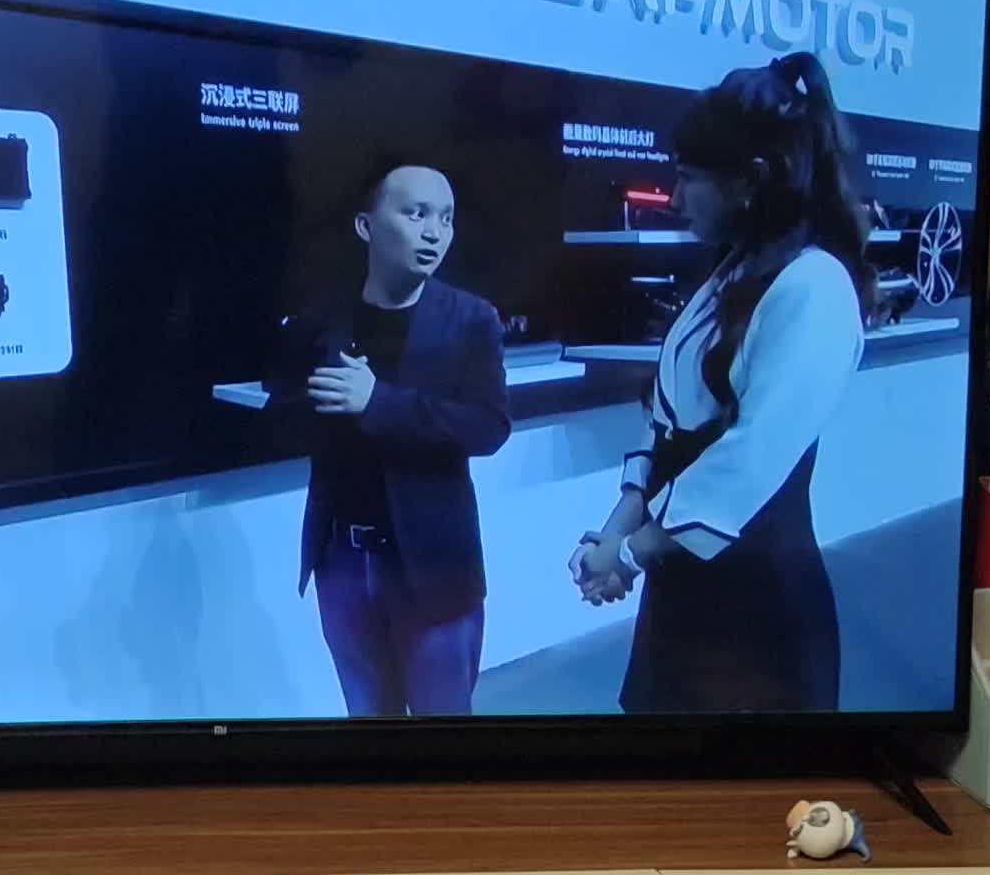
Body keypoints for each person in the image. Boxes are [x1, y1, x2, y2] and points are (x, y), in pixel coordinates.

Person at [569, 52, 876, 713]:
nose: (674, 198)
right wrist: (613, 533)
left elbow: (746, 461)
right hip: (681, 589)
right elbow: (666, 424)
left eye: (688, 178)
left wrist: (629, 553)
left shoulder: (815, 286)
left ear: (751, 179)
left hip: (757, 611)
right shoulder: (731, 272)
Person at [273, 163, 512, 716]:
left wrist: (378, 402)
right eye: (416, 213)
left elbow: (488, 425)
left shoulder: (471, 320)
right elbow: (287, 415)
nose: (434, 233)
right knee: (368, 726)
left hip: (433, 567)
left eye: (446, 219)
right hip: (341, 562)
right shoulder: (321, 320)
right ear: (366, 226)